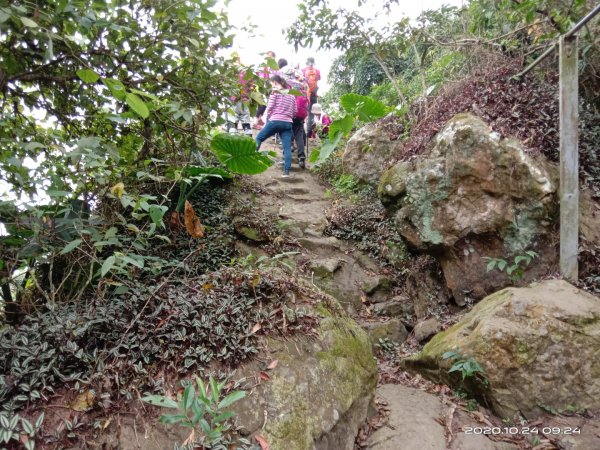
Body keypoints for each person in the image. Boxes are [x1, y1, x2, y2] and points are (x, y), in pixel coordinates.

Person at [255, 75, 297, 178]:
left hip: (275, 121)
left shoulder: (275, 93)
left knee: (259, 138)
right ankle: (286, 172)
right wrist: (287, 116)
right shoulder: (292, 95)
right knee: (287, 147)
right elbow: (295, 112)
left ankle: (251, 159)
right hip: (287, 123)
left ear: (274, 82)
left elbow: (269, 108)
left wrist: (267, 120)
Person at [282, 67, 309, 169]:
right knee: (299, 134)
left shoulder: (285, 85)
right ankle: (301, 157)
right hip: (301, 113)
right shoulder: (302, 85)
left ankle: (286, 156)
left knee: (287, 133)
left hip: (289, 113)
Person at [227, 53, 253, 136]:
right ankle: (249, 140)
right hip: (245, 100)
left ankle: (232, 140)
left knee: (232, 122)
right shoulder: (246, 73)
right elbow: (251, 87)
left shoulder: (230, 73)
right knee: (246, 122)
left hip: (233, 100)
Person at [255, 51, 276, 129]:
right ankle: (256, 121)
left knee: (268, 105)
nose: (268, 57)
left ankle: (260, 121)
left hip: (272, 88)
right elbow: (259, 75)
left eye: (270, 56)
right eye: (267, 56)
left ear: (273, 57)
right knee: (262, 105)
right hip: (263, 88)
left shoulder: (274, 67)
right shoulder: (264, 66)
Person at [302, 57, 321, 140]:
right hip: (313, 94)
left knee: (302, 112)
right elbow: (319, 79)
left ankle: (301, 132)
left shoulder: (303, 70)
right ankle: (309, 132)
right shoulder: (317, 71)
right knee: (311, 114)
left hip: (304, 94)